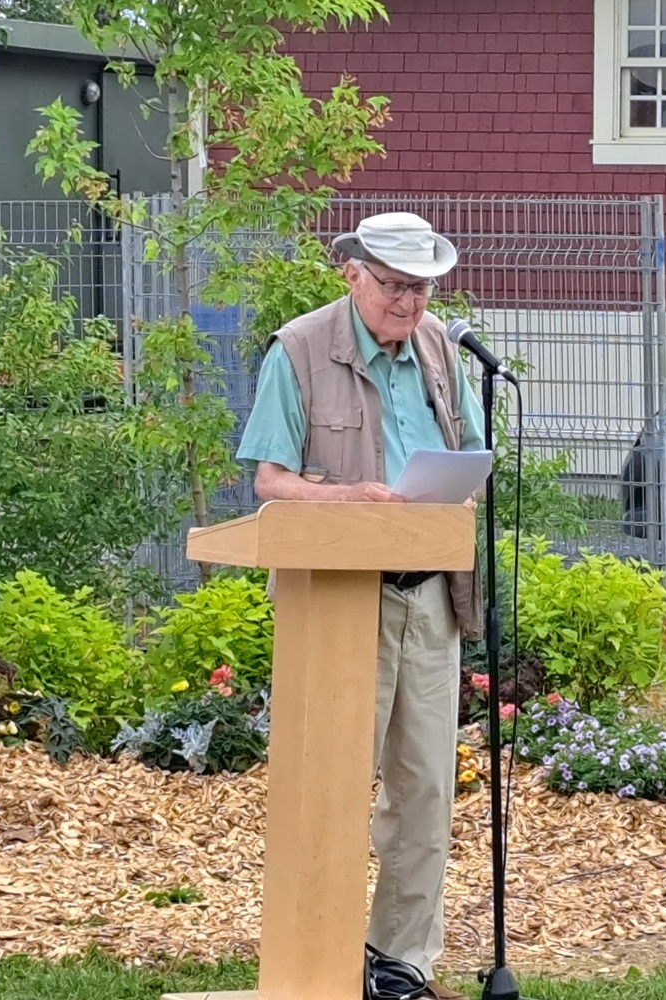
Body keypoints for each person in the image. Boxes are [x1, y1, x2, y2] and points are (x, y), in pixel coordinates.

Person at [235, 211, 486, 999]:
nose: (408, 305)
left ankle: (400, 964)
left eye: (420, 289)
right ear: (351, 274)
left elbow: (471, 457)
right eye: (394, 287)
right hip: (342, 604)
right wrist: (352, 499)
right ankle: (319, 960)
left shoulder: (442, 346)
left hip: (430, 601)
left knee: (426, 794)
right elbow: (269, 482)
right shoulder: (300, 349)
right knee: (333, 789)